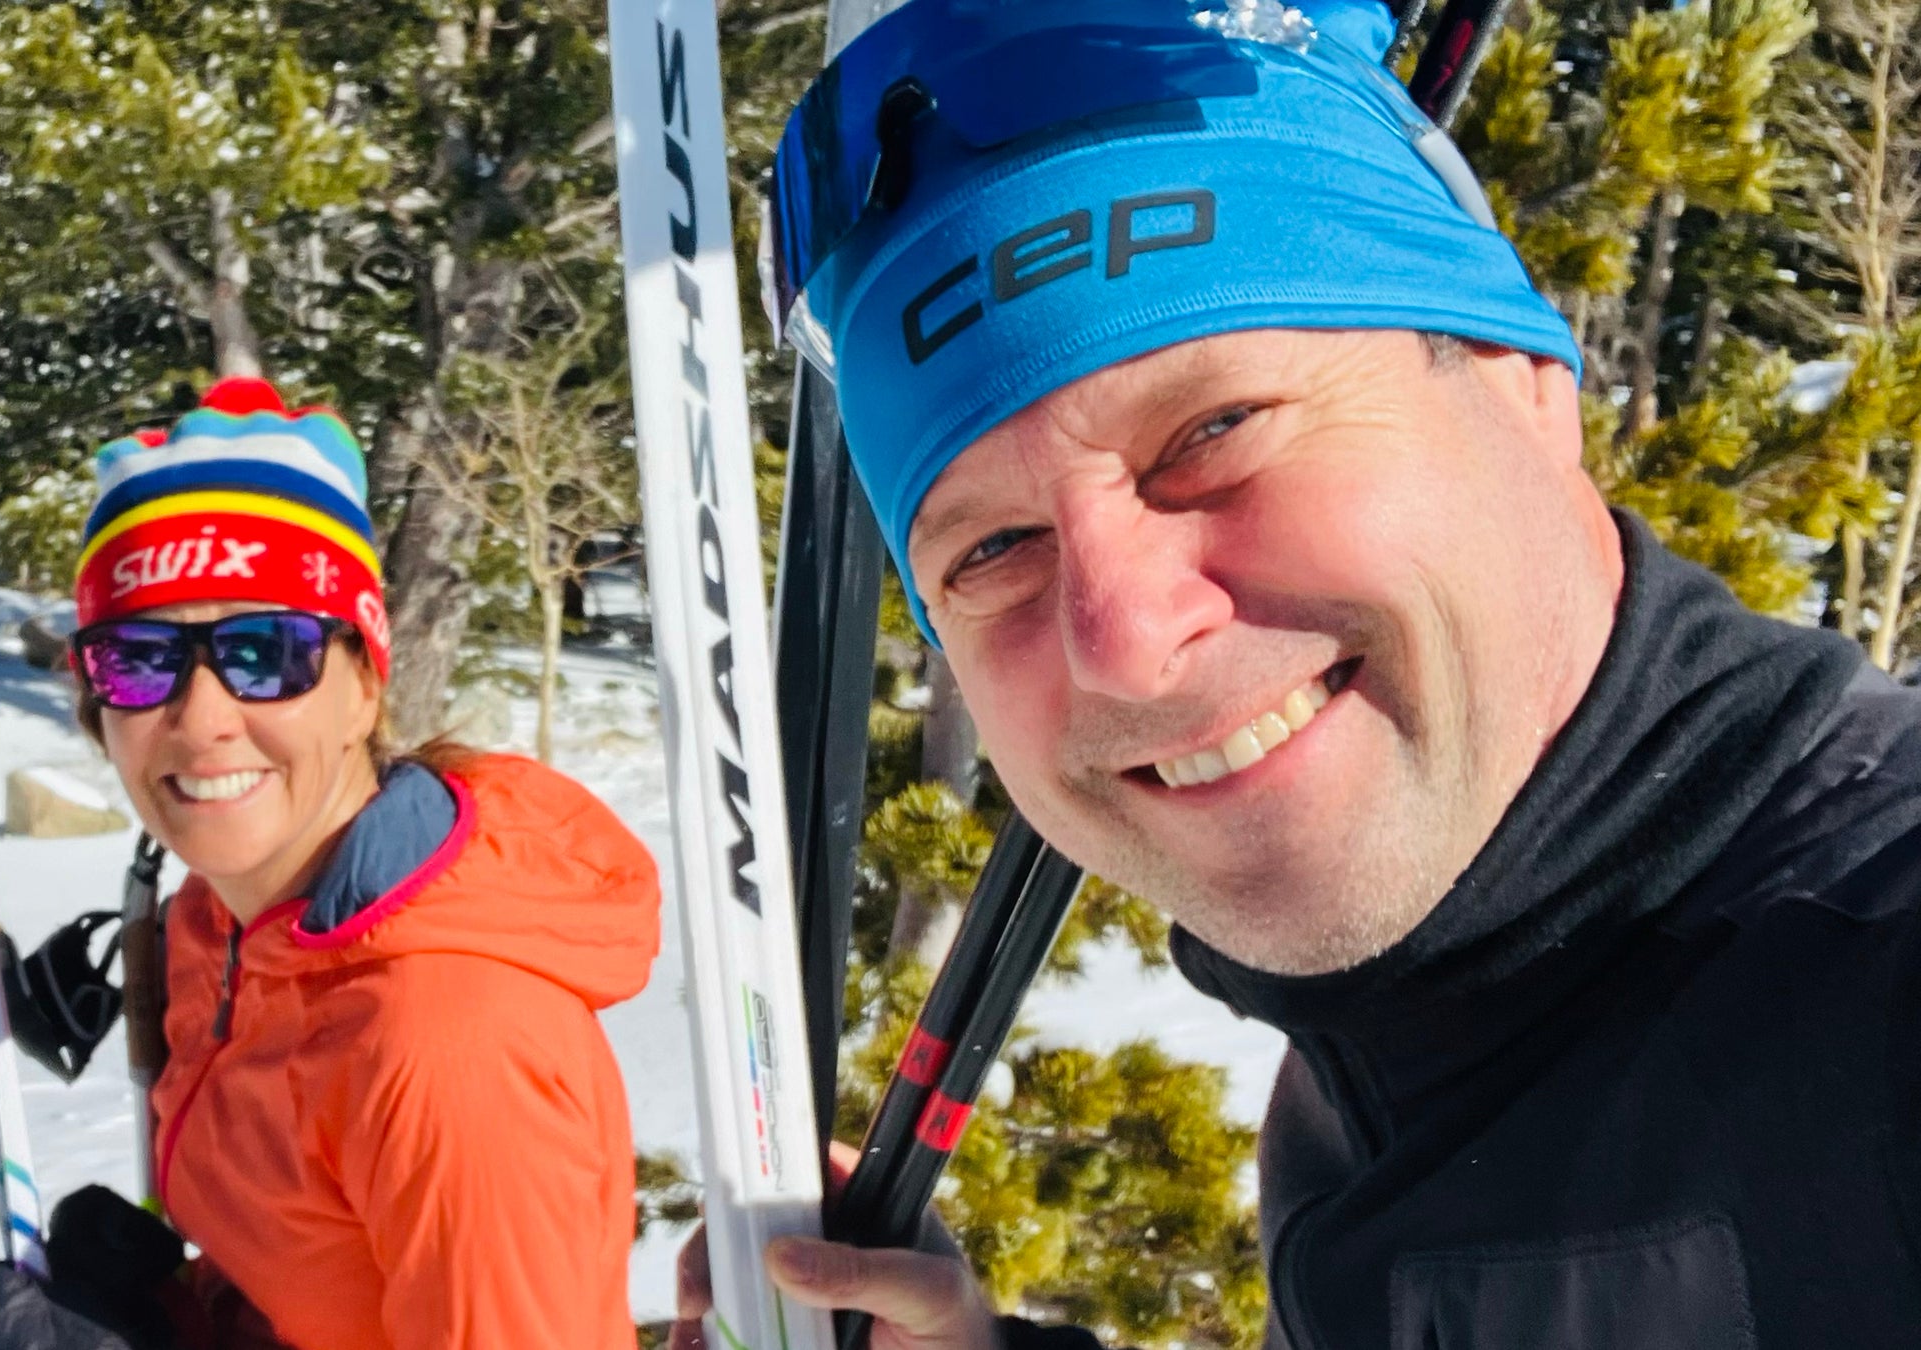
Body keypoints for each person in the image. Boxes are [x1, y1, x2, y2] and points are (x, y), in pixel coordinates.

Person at [675, 0, 1921, 1345]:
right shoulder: (1398, 1057)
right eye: (994, 549)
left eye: (1214, 429)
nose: (1126, 637)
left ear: (1523, 385)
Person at [0, 375, 662, 1350]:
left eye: (265, 651)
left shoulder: (446, 1053)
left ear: (364, 684)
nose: (203, 719)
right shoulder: (225, 929)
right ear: (97, 710)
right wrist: (175, 1315)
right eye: (136, 660)